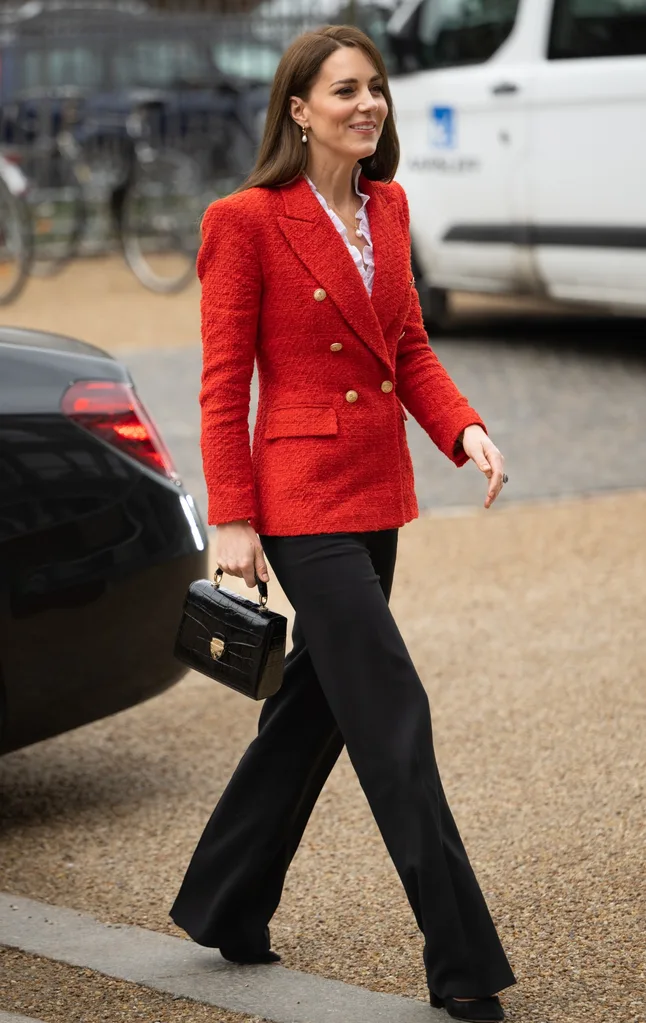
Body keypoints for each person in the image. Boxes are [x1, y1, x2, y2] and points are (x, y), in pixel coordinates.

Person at [170, 24, 516, 1022]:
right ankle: (462, 963)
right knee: (391, 714)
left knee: (313, 709)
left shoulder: (389, 206)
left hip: (374, 493)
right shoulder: (244, 220)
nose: (367, 105)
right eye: (344, 91)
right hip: (298, 501)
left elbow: (405, 347)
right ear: (298, 110)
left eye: (375, 89)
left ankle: (226, 901)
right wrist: (233, 518)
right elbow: (221, 384)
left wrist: (465, 429)